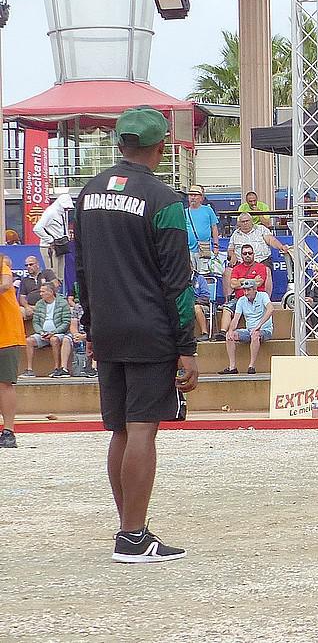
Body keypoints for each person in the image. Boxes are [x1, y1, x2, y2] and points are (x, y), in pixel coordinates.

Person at [76, 106, 197, 562]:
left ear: (119, 142)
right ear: (161, 146)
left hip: (106, 326)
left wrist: (89, 325)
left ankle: (128, 527)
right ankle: (131, 536)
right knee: (143, 427)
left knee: (120, 430)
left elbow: (81, 270)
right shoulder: (163, 199)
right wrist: (186, 346)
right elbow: (176, 280)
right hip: (150, 328)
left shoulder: (87, 194)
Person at [225, 212, 291, 294]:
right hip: (241, 263)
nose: (245, 223)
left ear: (251, 221)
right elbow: (230, 249)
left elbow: (271, 240)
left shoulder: (261, 229)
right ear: (239, 224)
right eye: (243, 222)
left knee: (266, 270)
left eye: (247, 221)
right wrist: (232, 254)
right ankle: (228, 302)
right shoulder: (235, 234)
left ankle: (266, 300)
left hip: (261, 261)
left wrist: (281, 247)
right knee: (227, 272)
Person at [219, 279, 273, 375]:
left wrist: (259, 326)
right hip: (249, 330)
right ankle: (232, 367)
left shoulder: (263, 295)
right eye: (244, 290)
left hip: (264, 330)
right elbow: (236, 318)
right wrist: (231, 330)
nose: (246, 292)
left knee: (255, 335)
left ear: (255, 290)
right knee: (229, 335)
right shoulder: (241, 300)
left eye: (248, 290)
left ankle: (251, 365)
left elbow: (270, 309)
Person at [215, 245, 269, 339]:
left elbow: (259, 283)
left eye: (250, 253)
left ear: (253, 254)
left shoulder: (261, 267)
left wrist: (240, 280)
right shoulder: (237, 268)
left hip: (256, 298)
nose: (247, 255)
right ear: (241, 255)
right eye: (245, 253)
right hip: (239, 298)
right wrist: (251, 280)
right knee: (227, 308)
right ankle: (223, 332)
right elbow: (233, 284)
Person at [0, 252, 26, 448]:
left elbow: (6, 284)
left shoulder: (2, 266)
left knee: (4, 383)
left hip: (5, 335)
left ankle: (9, 431)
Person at [24, 282, 72, 378]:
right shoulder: (39, 304)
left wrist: (54, 332)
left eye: (43, 291)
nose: (40, 294)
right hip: (42, 333)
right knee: (29, 341)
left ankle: (56, 368)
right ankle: (29, 370)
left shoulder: (62, 303)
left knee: (54, 339)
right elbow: (35, 322)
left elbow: (66, 322)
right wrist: (41, 332)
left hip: (58, 333)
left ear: (50, 292)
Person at [33, 193, 74, 286]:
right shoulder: (50, 212)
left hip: (60, 245)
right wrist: (50, 240)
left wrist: (66, 237)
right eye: (65, 207)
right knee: (52, 275)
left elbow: (63, 227)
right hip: (49, 247)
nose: (66, 209)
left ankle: (58, 295)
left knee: (60, 275)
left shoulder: (63, 213)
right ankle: (53, 296)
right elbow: (37, 228)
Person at [184, 184, 220, 273]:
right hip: (189, 249)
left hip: (205, 248)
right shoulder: (184, 212)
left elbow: (214, 228)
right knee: (190, 275)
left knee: (204, 274)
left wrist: (216, 246)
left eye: (195, 195)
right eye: (191, 195)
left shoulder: (208, 210)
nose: (192, 197)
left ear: (201, 198)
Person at [17, 255, 56, 320]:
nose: (28, 267)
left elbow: (55, 284)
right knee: (20, 311)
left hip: (48, 304)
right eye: (26, 265)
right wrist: (27, 307)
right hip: (32, 307)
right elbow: (22, 298)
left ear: (37, 264)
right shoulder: (25, 280)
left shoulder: (47, 273)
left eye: (31, 264)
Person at [191, 268, 211, 342]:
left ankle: (204, 333)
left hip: (201, 304)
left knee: (196, 308)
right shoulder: (179, 278)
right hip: (186, 304)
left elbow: (206, 296)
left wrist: (194, 301)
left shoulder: (200, 278)